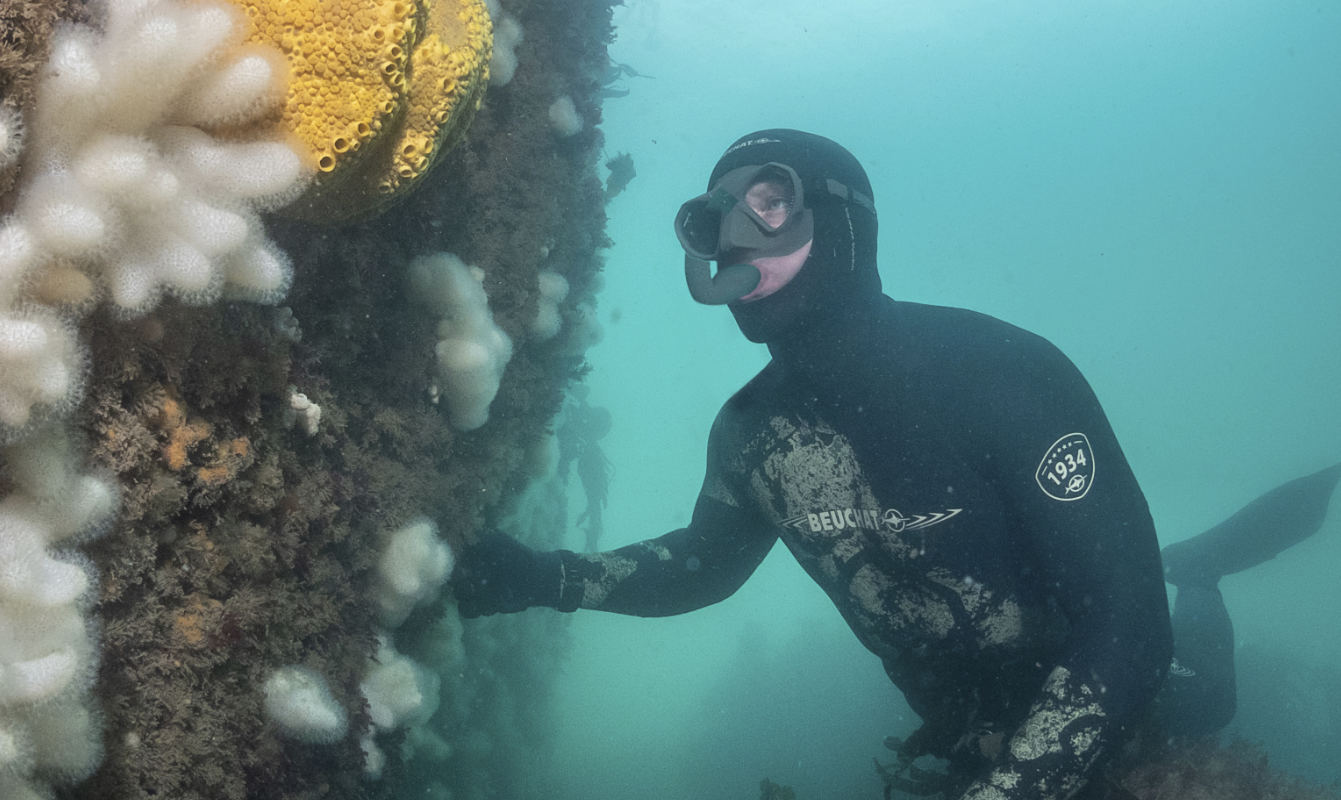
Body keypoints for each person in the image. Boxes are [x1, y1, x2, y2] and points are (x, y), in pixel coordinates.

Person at [453, 129, 1341, 799]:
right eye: (713, 215)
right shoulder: (747, 435)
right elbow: (706, 565)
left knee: (1205, 705)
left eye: (767, 201)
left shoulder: (999, 372)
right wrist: (543, 575)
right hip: (961, 730)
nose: (732, 234)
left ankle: (1201, 569)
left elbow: (1128, 630)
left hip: (1122, 687)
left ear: (843, 222)